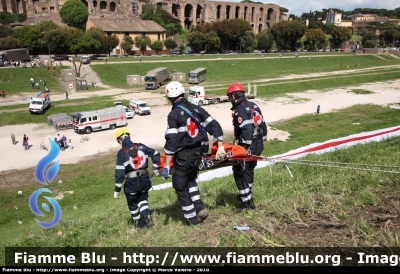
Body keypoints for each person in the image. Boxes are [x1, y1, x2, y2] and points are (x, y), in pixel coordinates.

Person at [161, 81, 226, 226]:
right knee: (191, 181)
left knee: (179, 185)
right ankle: (200, 209)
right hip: (199, 156)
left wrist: (166, 166)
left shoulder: (174, 115)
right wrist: (220, 146)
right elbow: (215, 126)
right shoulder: (197, 109)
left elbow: (172, 142)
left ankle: (191, 219)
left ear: (170, 98)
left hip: (184, 157)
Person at [226, 83, 268, 213]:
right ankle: (247, 194)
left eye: (229, 97)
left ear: (233, 96)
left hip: (249, 144)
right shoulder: (253, 105)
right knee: (249, 170)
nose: (229, 100)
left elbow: (247, 129)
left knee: (240, 172)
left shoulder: (240, 110)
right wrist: (262, 141)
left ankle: (247, 203)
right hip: (258, 142)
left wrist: (243, 148)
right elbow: (263, 124)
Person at [114, 128, 161, 229]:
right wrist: (156, 168)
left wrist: (117, 190)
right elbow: (156, 153)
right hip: (145, 179)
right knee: (142, 199)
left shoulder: (121, 153)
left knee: (132, 203)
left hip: (131, 182)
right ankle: (148, 216)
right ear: (129, 137)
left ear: (119, 140)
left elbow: (119, 173)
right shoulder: (141, 146)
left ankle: (140, 225)